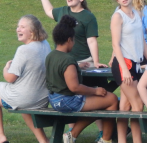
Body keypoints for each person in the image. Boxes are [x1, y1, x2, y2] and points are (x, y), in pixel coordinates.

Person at [36, 0, 108, 139]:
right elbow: (49, 11)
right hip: (64, 62)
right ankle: (71, 133)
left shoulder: (88, 16)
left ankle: (102, 132)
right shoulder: (63, 11)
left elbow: (92, 40)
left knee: (95, 94)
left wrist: (95, 62)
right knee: (69, 92)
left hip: (84, 61)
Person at [45, 15, 119, 143]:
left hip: (54, 99)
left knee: (104, 101)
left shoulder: (51, 55)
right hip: (67, 101)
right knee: (111, 99)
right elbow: (75, 87)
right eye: (73, 40)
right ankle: (105, 139)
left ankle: (73, 135)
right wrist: (95, 91)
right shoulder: (68, 59)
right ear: (69, 40)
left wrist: (76, 66)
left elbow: (60, 70)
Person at [0, 15, 51, 143]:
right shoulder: (45, 44)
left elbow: (10, 78)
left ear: (32, 31)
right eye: (18, 26)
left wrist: (5, 68)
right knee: (25, 100)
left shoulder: (24, 49)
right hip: (42, 98)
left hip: (26, 98)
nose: (18, 29)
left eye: (22, 27)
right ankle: (43, 140)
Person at [110, 0, 147, 143]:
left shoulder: (137, 13)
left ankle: (121, 140)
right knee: (138, 103)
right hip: (123, 64)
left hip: (137, 63)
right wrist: (125, 71)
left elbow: (142, 38)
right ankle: (137, 140)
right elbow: (115, 45)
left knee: (125, 105)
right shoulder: (118, 16)